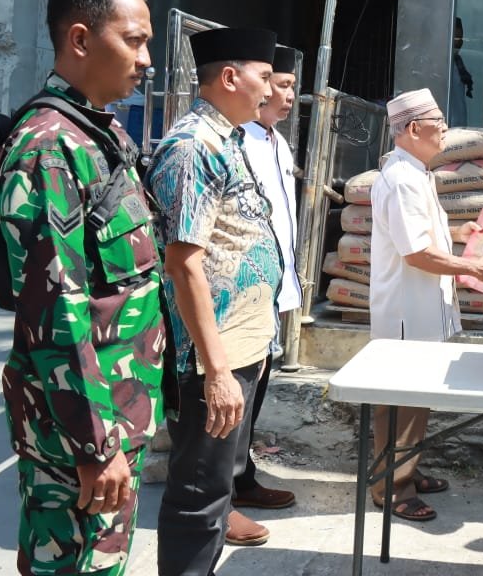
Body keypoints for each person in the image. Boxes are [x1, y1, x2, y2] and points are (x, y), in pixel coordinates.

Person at [0, 0, 165, 576]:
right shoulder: (49, 146)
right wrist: (94, 446)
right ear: (80, 39)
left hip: (119, 408)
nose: (147, 58)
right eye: (135, 40)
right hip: (81, 431)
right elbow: (55, 312)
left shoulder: (101, 134)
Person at [146, 28, 283, 573]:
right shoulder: (191, 148)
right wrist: (218, 370)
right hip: (209, 357)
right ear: (230, 77)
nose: (270, 92)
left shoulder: (225, 138)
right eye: (265, 78)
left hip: (238, 345)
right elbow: (183, 263)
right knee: (198, 497)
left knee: (217, 489)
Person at [367, 88, 483, 522]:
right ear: (413, 129)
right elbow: (416, 254)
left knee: (415, 401)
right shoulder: (403, 178)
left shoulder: (416, 172)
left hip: (423, 306)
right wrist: (478, 271)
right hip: (408, 310)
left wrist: (457, 232)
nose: (445, 130)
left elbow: (420, 234)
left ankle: (406, 469)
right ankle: (391, 487)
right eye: (438, 123)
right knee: (401, 406)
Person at [227, 45, 302, 543]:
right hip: (241, 292)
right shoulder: (238, 141)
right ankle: (222, 497)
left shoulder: (277, 142)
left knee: (256, 394)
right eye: (280, 82)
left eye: (293, 85)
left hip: (273, 287)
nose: (289, 94)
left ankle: (242, 478)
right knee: (233, 396)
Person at [449, 18, 473, 127]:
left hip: (459, 125)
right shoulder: (443, 64)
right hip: (447, 126)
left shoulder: (458, 62)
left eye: (461, 38)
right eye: (456, 37)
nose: (459, 42)